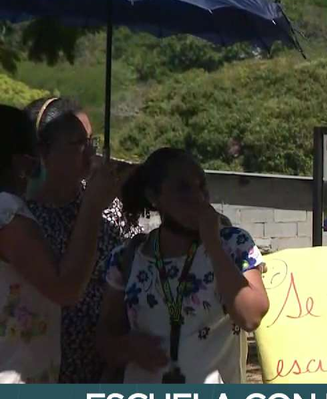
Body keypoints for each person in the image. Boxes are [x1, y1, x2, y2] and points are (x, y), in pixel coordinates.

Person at [96, 148, 270, 384]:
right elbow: (104, 338)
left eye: (202, 187)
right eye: (183, 189)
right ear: (154, 197)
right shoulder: (128, 258)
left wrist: (213, 244)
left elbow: (250, 316)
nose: (197, 198)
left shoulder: (233, 245)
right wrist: (127, 347)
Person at [23, 97, 141, 383]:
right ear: (42, 151)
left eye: (92, 142)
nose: (90, 155)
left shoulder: (110, 207)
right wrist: (91, 208)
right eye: (77, 145)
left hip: (108, 374)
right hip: (42, 372)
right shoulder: (22, 219)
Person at [0, 105, 121, 383]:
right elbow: (66, 288)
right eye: (78, 144)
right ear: (24, 160)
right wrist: (91, 207)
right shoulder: (7, 213)